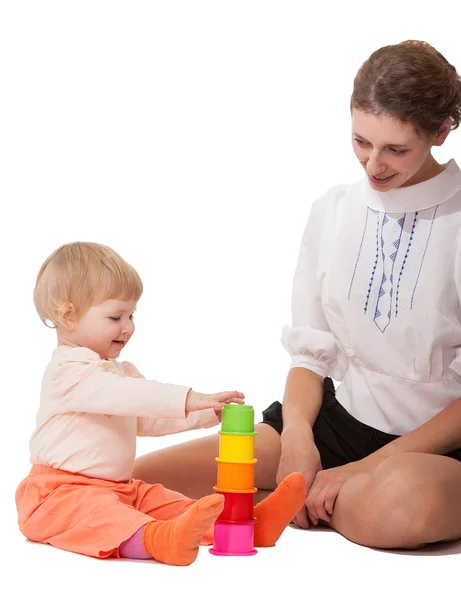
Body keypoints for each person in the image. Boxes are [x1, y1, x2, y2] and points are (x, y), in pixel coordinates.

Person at [132, 40, 461, 550]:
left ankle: (288, 504)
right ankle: (304, 500)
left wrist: (361, 470)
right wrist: (300, 442)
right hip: (337, 423)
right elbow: (310, 351)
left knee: (403, 506)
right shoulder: (332, 210)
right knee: (144, 477)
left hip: (438, 449)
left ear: (441, 132)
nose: (373, 164)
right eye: (360, 141)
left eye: (396, 149)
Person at [15, 242, 305, 566]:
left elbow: (146, 418)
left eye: (131, 315)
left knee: (170, 503)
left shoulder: (116, 372)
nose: (128, 327)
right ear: (68, 316)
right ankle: (160, 540)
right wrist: (189, 398)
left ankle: (246, 526)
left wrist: (204, 413)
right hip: (59, 494)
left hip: (119, 487)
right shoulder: (68, 373)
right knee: (103, 516)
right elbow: (135, 397)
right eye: (115, 316)